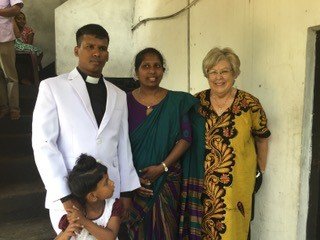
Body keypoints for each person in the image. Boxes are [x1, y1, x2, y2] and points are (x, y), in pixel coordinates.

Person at [32, 23, 140, 234]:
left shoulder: (118, 94)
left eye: (102, 48)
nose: (96, 53)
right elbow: (44, 144)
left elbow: (122, 146)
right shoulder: (53, 87)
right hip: (72, 194)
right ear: (76, 50)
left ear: (107, 54)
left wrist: (126, 192)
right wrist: (64, 195)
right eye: (90, 46)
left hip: (109, 195)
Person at [125, 47, 204, 239]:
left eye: (157, 66)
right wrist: (132, 177)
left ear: (163, 70)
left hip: (167, 180)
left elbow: (186, 138)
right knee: (135, 231)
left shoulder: (177, 101)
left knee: (166, 230)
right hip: (133, 181)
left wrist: (162, 167)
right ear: (136, 72)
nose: (152, 71)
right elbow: (117, 142)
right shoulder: (123, 101)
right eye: (146, 66)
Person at [194, 47, 271, 239]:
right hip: (202, 186)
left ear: (234, 73)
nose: (218, 77)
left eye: (224, 71)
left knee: (234, 231)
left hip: (237, 185)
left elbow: (262, 138)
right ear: (207, 74)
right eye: (213, 72)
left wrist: (259, 170)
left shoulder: (249, 104)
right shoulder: (196, 103)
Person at [55, 154, 122, 240]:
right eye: (106, 183)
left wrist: (84, 221)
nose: (112, 182)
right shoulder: (75, 214)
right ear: (92, 196)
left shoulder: (113, 206)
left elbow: (110, 237)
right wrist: (67, 233)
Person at [0, 0, 23, 120]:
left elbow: (16, 9)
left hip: (4, 38)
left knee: (10, 76)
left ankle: (14, 108)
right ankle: (3, 107)